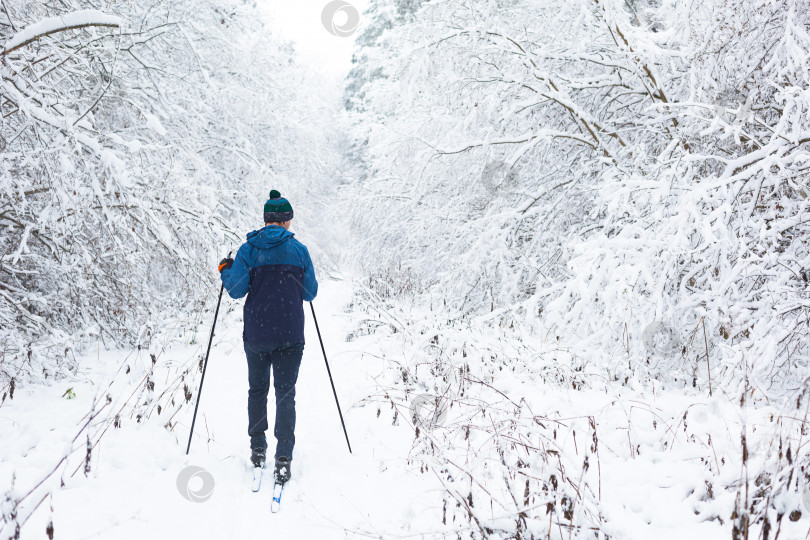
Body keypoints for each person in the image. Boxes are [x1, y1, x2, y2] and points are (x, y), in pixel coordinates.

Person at [218, 190, 317, 484]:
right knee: (286, 395)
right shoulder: (299, 250)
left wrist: (225, 269)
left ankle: (258, 450)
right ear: (286, 221)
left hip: (257, 334)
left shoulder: (249, 250)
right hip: (290, 335)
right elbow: (310, 293)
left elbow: (236, 289)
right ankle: (283, 456)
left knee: (257, 391)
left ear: (265, 220)